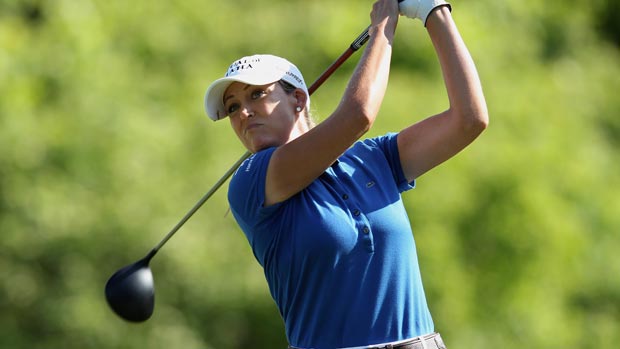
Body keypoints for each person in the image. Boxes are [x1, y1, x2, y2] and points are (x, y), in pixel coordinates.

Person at [203, 0, 488, 348]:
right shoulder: (252, 181)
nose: (244, 112)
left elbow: (469, 120)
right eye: (233, 107)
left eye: (257, 94)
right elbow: (358, 116)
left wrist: (433, 11)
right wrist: (384, 24)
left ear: (297, 99)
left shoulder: (374, 159)